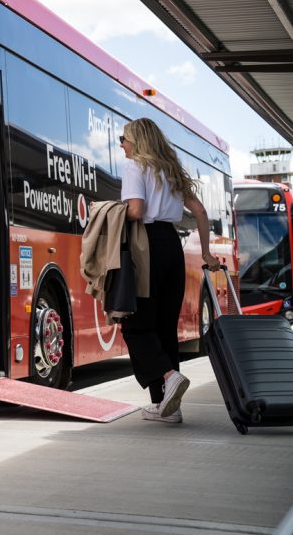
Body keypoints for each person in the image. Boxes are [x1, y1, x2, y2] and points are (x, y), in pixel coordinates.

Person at [119, 117, 220, 424]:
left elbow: (135, 210)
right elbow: (200, 212)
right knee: (164, 327)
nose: (121, 144)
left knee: (134, 324)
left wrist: (109, 212)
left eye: (123, 139)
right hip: (171, 245)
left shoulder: (134, 167)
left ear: (136, 141)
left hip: (145, 244)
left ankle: (168, 376)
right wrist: (205, 252)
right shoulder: (171, 170)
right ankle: (167, 407)